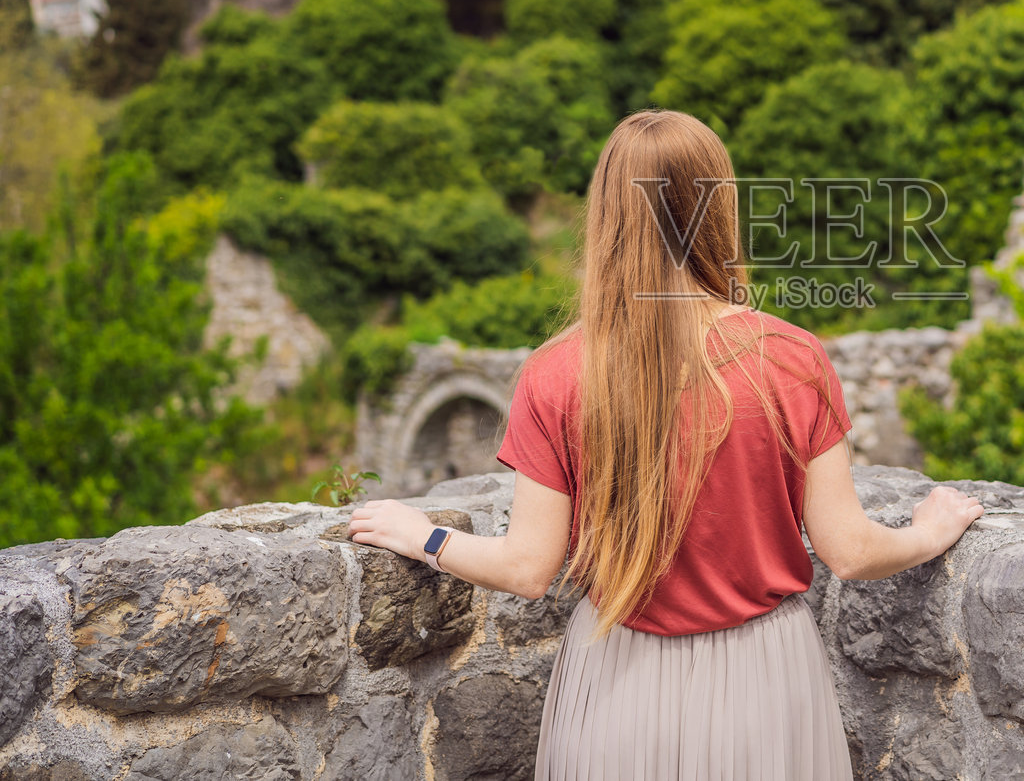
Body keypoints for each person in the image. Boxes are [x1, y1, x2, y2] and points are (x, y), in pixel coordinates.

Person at [349, 109, 985, 779]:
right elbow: (850, 551)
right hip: (766, 685)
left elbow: (528, 568)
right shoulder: (794, 357)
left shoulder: (556, 371)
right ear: (717, 206)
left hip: (615, 680)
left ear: (605, 216)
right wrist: (927, 531)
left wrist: (426, 536)